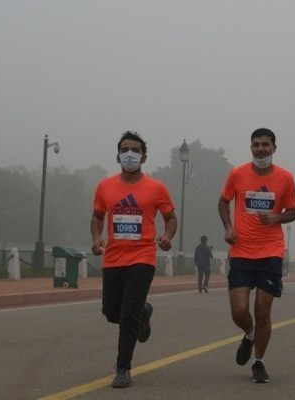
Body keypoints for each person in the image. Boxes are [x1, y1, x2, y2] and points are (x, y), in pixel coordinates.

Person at [91, 131, 177, 388]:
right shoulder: (105, 186)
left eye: (136, 150)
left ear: (144, 156)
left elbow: (170, 218)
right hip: (113, 258)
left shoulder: (156, 188)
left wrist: (167, 236)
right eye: (126, 149)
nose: (130, 154)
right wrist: (96, 237)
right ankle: (143, 312)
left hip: (142, 257)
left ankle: (122, 368)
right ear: (118, 156)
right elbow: (97, 216)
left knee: (127, 314)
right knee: (111, 311)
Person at [218, 127, 295, 383]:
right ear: (251, 147)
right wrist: (228, 227)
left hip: (271, 251)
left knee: (263, 310)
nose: (260, 149)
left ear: (274, 148)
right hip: (241, 251)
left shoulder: (286, 178)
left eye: (265, 144)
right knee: (239, 311)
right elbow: (223, 201)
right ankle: (249, 334)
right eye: (256, 144)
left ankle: (259, 362)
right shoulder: (237, 174)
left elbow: (293, 212)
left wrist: (276, 216)